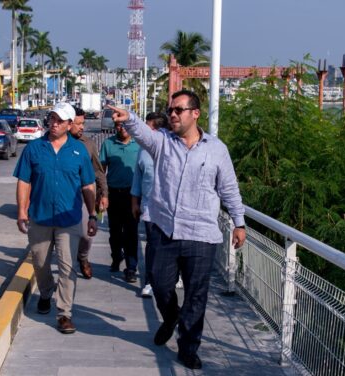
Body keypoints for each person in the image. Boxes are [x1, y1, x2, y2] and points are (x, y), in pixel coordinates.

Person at [109, 89, 246, 370]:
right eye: (170, 110)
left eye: (178, 110)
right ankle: (170, 317)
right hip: (164, 230)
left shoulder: (217, 149)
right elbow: (143, 135)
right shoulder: (162, 143)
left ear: (195, 114)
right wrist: (130, 118)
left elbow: (229, 189)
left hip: (201, 235)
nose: (172, 114)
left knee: (196, 294)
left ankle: (188, 347)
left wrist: (239, 222)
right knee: (159, 284)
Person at [14, 102, 97, 334]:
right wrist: (21, 211)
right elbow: (23, 181)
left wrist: (92, 215)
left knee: (67, 267)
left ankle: (64, 313)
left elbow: (88, 184)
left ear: (70, 124)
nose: (54, 123)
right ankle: (46, 291)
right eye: (51, 119)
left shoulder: (79, 152)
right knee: (40, 263)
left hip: (68, 220)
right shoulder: (34, 149)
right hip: (39, 217)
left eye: (60, 120)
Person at [130, 112, 168, 297]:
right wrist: (134, 201)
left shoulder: (171, 147)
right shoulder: (142, 150)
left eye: (147, 127)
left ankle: (171, 277)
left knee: (168, 246)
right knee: (153, 245)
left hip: (169, 207)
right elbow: (138, 176)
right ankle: (150, 282)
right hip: (148, 206)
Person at [68, 107, 108, 279]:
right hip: (60, 198)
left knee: (86, 234)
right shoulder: (52, 143)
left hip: (84, 197)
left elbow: (98, 172)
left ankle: (82, 258)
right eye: (78, 124)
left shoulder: (88, 144)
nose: (82, 127)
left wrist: (104, 194)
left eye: (83, 123)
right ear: (68, 124)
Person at [99, 120, 140, 283]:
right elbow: (101, 171)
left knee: (131, 232)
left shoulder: (139, 145)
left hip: (133, 196)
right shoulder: (108, 144)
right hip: (113, 194)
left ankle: (131, 267)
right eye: (118, 125)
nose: (121, 128)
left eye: (124, 125)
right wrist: (102, 195)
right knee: (114, 232)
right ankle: (116, 257)